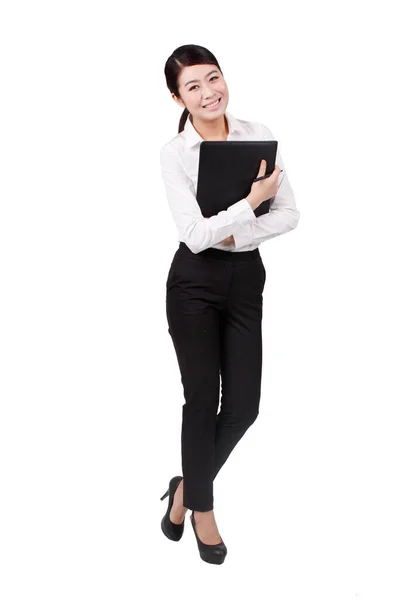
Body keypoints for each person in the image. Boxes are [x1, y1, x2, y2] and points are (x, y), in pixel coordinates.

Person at [159, 44, 300, 565]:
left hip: (245, 278)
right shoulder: (174, 154)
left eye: (212, 78)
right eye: (192, 86)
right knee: (201, 401)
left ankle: (183, 491)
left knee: (243, 407)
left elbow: (290, 213)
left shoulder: (257, 135)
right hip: (193, 284)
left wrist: (240, 236)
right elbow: (194, 235)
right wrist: (249, 203)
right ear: (178, 97)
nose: (208, 92)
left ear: (225, 79)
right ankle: (204, 510)